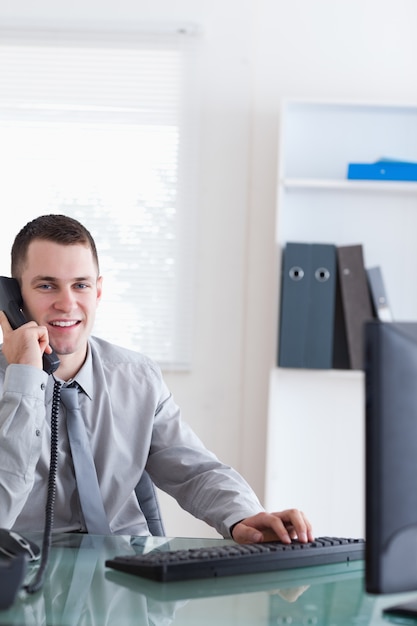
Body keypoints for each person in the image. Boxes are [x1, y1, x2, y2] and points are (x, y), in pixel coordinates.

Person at [0, 214, 314, 545]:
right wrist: (26, 382)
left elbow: (194, 470)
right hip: (25, 576)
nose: (67, 303)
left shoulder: (137, 378)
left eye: (81, 285)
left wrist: (244, 515)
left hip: (128, 578)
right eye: (46, 285)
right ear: (14, 299)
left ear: (99, 291)